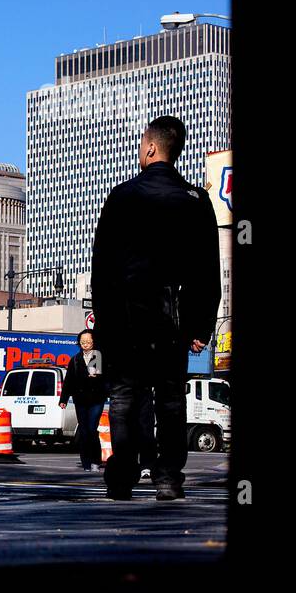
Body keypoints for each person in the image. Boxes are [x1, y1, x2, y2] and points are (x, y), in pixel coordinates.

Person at [91, 115, 220, 501]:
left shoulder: (122, 196)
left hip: (127, 315)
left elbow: (103, 268)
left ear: (150, 147)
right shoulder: (197, 201)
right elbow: (206, 271)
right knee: (169, 398)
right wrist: (200, 326)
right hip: (171, 314)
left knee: (126, 395)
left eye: (141, 144)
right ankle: (167, 477)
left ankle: (123, 473)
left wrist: (104, 322)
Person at [59, 330, 107, 471]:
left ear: (93, 342)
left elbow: (100, 377)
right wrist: (64, 399)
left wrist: (99, 380)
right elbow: (69, 381)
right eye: (83, 342)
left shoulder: (98, 356)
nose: (85, 344)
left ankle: (95, 461)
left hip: (96, 399)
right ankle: (86, 461)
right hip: (80, 399)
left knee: (92, 429)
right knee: (84, 431)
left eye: (88, 341)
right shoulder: (75, 359)